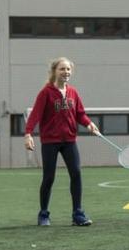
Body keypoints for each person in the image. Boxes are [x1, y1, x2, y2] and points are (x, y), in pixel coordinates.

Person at [24, 57, 99, 226]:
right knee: (49, 177)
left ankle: (78, 214)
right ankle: (43, 214)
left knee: (76, 173)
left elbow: (80, 113)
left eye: (68, 69)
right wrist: (28, 134)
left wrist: (89, 123)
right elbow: (35, 115)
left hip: (69, 141)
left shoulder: (73, 92)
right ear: (54, 71)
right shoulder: (46, 93)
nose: (66, 72)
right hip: (50, 141)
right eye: (62, 69)